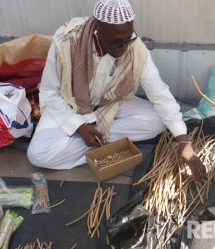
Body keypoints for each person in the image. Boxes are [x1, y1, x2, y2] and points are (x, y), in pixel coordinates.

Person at [27, 0, 206, 182]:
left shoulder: (136, 51)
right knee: (38, 154)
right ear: (96, 30)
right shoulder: (65, 43)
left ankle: (95, 141)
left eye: (128, 39)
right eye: (116, 43)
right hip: (71, 104)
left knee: (159, 121)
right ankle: (99, 142)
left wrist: (184, 143)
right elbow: (50, 92)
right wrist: (79, 127)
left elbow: (160, 95)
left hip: (111, 104)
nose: (124, 48)